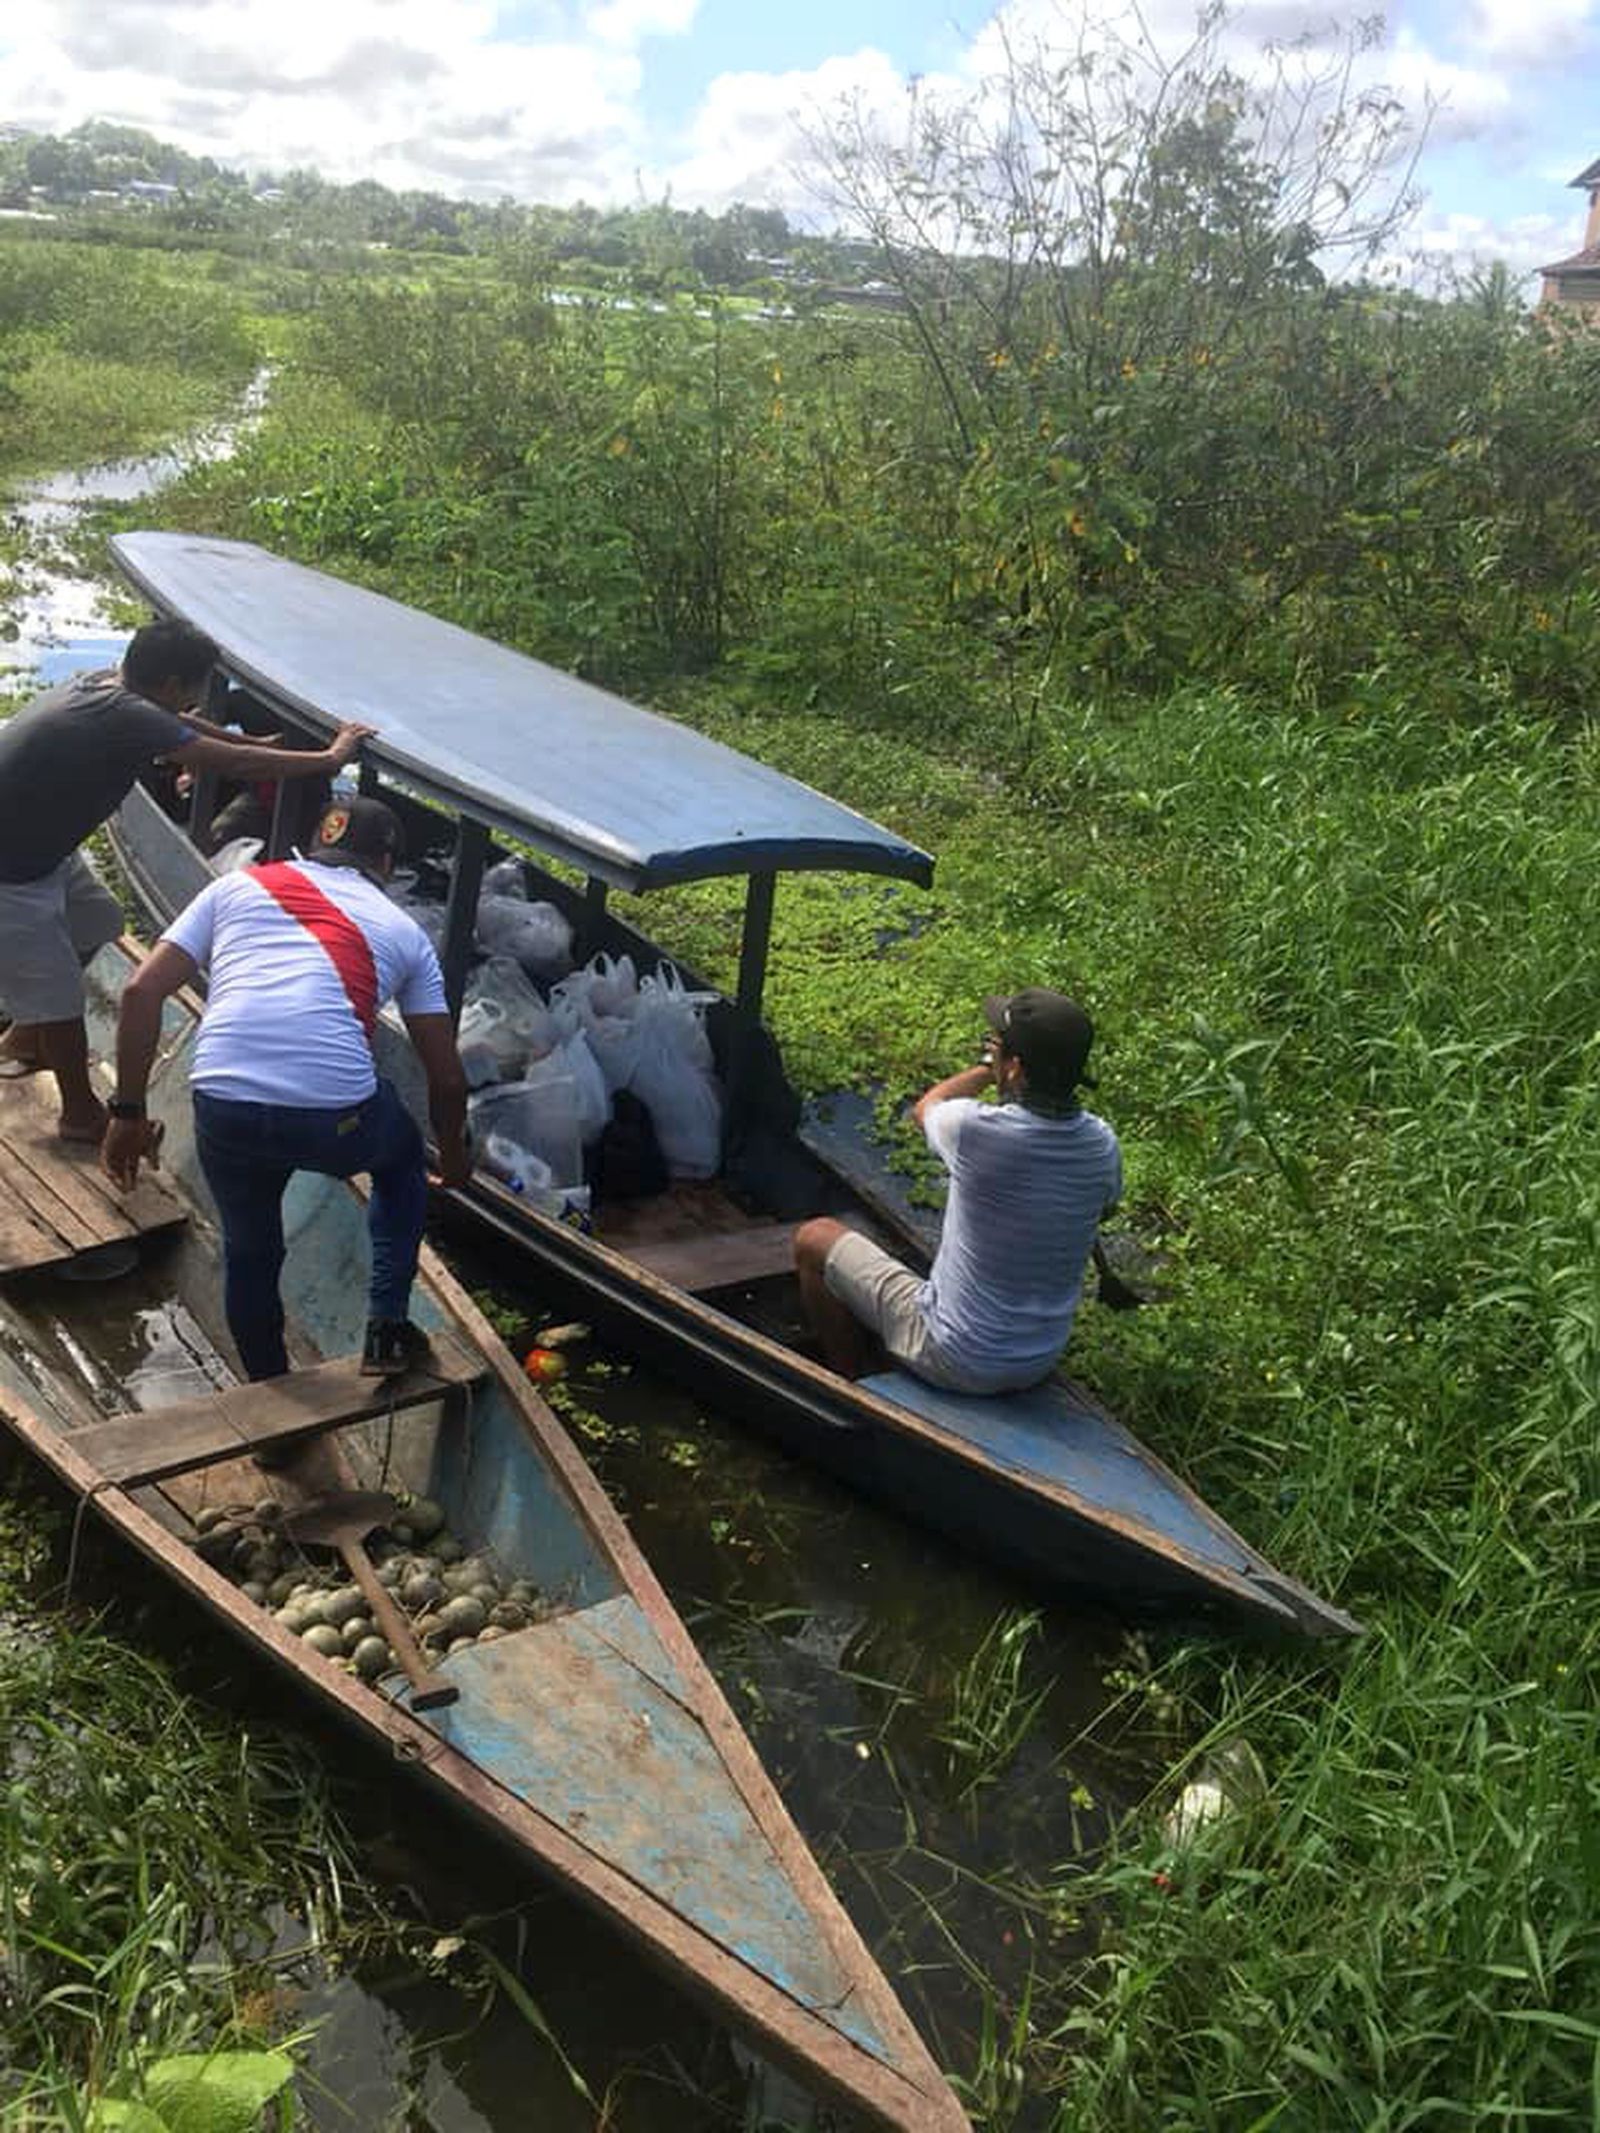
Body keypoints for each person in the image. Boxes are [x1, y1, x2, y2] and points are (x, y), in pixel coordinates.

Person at [102, 795, 472, 1380]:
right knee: (401, 1158)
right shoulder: (405, 933)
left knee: (250, 1250)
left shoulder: (236, 887)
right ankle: (386, 1330)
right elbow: (447, 1079)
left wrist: (127, 1113)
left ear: (317, 844)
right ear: (385, 864)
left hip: (223, 1103)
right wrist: (453, 1159)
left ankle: (267, 1386)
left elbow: (140, 992)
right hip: (334, 1118)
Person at [0, 619, 372, 1142]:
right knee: (61, 998)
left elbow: (182, 727)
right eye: (196, 687)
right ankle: (80, 1115)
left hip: (41, 852)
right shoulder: (125, 714)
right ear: (174, 683)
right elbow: (231, 760)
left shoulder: (104, 684)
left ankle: (25, 1035)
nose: (197, 698)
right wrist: (329, 759)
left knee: (99, 921)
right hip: (11, 874)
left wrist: (257, 739)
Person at [795, 989, 1123, 1390]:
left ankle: (851, 1385)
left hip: (953, 1355)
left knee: (813, 1239)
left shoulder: (973, 1130)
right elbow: (1103, 1210)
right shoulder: (1102, 1144)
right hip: (1038, 1359)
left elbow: (926, 1107)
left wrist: (987, 1069)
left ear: (1015, 1067)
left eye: (997, 1046)